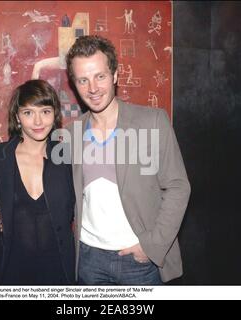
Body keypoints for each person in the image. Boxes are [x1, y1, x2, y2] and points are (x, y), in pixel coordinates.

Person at [64, 35, 191, 285]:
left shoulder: (152, 121)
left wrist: (152, 245)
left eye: (100, 76)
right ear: (75, 84)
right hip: (88, 260)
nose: (92, 88)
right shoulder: (70, 133)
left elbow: (178, 186)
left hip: (139, 261)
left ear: (115, 76)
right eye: (83, 80)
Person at [0, 79, 75, 285]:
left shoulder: (67, 156)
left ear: (55, 115)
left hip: (59, 272)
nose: (38, 122)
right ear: (17, 116)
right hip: (11, 272)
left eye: (45, 112)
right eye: (29, 112)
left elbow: (81, 209)